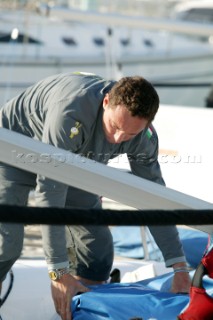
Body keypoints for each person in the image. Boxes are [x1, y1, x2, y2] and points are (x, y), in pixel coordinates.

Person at [0, 72, 191, 319]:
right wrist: (57, 272)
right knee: (7, 244)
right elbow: (50, 192)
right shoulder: (71, 113)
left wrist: (179, 267)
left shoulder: (144, 139)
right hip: (16, 148)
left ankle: (78, 309)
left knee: (98, 251)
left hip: (75, 161)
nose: (118, 139)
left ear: (147, 125)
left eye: (130, 134)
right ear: (106, 102)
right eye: (115, 127)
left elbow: (153, 198)